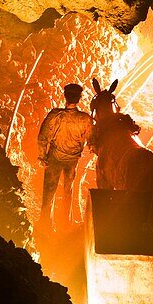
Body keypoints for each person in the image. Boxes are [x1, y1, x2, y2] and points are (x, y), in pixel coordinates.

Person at [37, 83, 93, 230]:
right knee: (68, 191)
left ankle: (45, 225)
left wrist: (42, 157)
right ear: (79, 98)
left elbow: (42, 137)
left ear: (65, 96)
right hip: (72, 161)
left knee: (49, 191)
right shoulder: (85, 119)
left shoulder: (55, 115)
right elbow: (91, 140)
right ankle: (65, 225)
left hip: (54, 158)